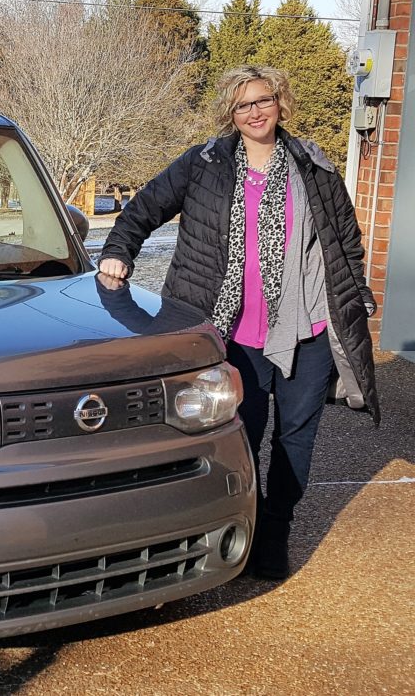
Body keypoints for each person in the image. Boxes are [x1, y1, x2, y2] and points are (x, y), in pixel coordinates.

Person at [98, 65, 379, 580]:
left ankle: (276, 530)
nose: (254, 112)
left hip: (306, 328)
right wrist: (118, 252)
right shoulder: (203, 164)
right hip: (229, 333)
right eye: (243, 104)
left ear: (280, 102)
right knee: (240, 436)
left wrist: (354, 298)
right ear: (230, 113)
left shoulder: (314, 167)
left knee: (296, 437)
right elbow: (142, 208)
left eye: (263, 100)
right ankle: (239, 525)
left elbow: (347, 242)